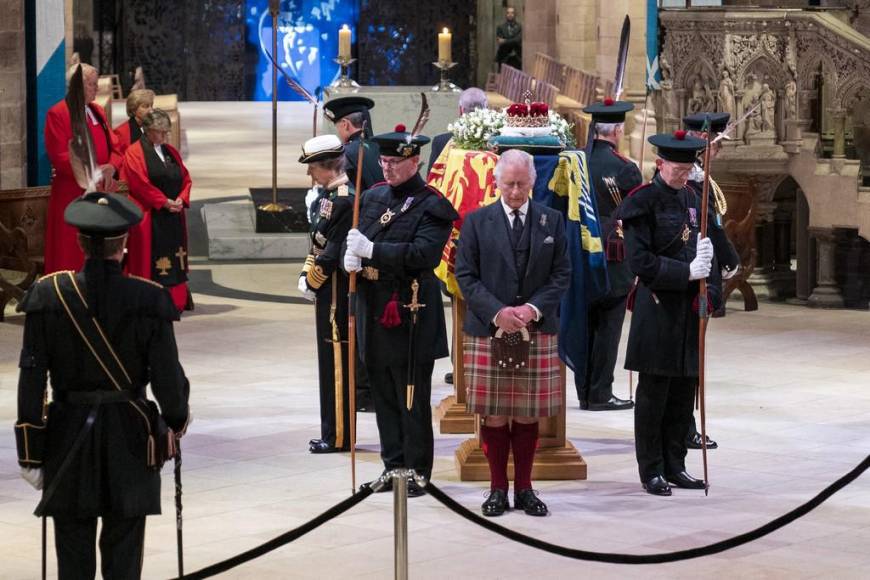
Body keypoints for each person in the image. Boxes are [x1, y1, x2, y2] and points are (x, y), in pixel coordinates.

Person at [14, 191, 190, 579]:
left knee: (72, 557)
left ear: (79, 242)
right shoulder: (149, 299)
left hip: (66, 435)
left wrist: (30, 450)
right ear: (124, 244)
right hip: (129, 437)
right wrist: (174, 426)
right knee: (124, 556)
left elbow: (31, 378)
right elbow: (168, 381)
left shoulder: (48, 295)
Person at [343, 123, 458, 497]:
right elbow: (361, 235)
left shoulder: (432, 206)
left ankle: (416, 471)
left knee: (411, 397)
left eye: (394, 162)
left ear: (415, 161)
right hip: (374, 309)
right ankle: (392, 467)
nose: (387, 168)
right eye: (384, 161)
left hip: (410, 312)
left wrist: (372, 251)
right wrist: (352, 257)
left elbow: (422, 255)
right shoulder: (375, 197)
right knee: (383, 397)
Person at [455, 149, 570, 517]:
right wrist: (498, 312)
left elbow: (562, 275)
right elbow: (466, 277)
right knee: (494, 415)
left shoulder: (552, 222)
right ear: (496, 182)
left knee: (526, 414)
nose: (516, 192)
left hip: (536, 329)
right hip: (489, 330)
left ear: (533, 182)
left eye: (522, 184)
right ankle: (496, 489)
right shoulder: (476, 222)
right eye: (509, 184)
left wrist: (531, 309)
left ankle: (524, 488)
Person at [619, 130, 721, 497]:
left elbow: (711, 252)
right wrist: (685, 272)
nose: (682, 175)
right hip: (658, 308)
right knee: (654, 394)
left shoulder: (696, 200)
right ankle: (652, 470)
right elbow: (640, 261)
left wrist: (712, 284)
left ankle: (676, 464)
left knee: (683, 393)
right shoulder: (641, 203)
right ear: (659, 164)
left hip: (689, 310)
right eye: (676, 168)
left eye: (687, 168)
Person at [577, 99, 642, 411]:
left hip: (580, 250)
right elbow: (634, 216)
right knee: (609, 326)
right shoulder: (626, 169)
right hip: (613, 255)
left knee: (584, 323)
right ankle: (601, 392)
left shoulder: (576, 161)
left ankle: (584, 390)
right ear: (617, 130)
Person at [682, 112, 742, 449]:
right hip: (696, 278)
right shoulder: (692, 183)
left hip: (704, 274)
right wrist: (731, 261)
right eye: (715, 145)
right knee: (690, 354)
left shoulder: (699, 178)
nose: (717, 152)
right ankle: (685, 426)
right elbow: (712, 228)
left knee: (693, 353)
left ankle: (685, 424)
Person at [297, 135, 356, 453]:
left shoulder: (343, 200)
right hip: (326, 290)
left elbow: (333, 250)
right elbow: (319, 243)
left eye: (312, 169)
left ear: (326, 167)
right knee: (327, 360)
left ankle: (339, 435)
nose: (310, 175)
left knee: (336, 363)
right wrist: (306, 273)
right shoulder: (330, 196)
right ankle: (331, 431)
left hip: (335, 294)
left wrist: (313, 279)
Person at [44, 64, 122, 274]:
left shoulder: (97, 110)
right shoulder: (58, 113)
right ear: (76, 85)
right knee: (71, 252)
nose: (96, 88)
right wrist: (97, 172)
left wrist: (112, 167)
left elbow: (115, 145)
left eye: (96, 83)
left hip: (103, 191)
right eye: (91, 84)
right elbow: (61, 158)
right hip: (73, 194)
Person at [122, 109, 193, 312]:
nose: (165, 136)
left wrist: (182, 198)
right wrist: (164, 202)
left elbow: (185, 178)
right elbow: (139, 183)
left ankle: (176, 300)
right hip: (150, 215)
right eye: (160, 132)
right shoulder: (134, 153)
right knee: (151, 260)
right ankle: (151, 301)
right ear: (148, 130)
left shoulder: (171, 152)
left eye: (166, 132)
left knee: (176, 257)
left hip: (173, 216)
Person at [323, 96, 384, 191]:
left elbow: (343, 193)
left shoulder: (343, 153)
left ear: (345, 124)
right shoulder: (383, 146)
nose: (338, 132)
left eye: (338, 127)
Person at [427, 87, 489, 174]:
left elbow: (432, 180)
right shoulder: (496, 141)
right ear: (487, 109)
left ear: (461, 110)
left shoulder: (441, 142)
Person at [114, 89, 155, 154]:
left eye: (151, 106)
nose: (151, 110)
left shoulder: (153, 127)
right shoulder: (121, 132)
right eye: (145, 106)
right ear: (133, 109)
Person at [496, 6, 523, 71]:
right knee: (503, 79)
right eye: (508, 13)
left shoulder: (520, 27)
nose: (510, 15)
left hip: (517, 58)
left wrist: (505, 41)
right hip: (504, 57)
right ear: (506, 14)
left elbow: (517, 40)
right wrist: (512, 41)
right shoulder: (500, 27)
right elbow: (500, 43)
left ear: (515, 14)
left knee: (517, 80)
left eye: (512, 13)